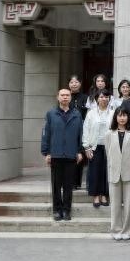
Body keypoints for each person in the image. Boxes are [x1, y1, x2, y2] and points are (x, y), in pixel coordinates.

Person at [41, 89, 84, 221]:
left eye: (67, 95)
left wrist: (80, 151)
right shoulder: (51, 114)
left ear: (70, 98)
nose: (65, 97)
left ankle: (66, 210)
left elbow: (81, 134)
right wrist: (46, 152)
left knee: (68, 186)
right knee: (56, 185)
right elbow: (46, 134)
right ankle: (57, 210)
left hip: (71, 154)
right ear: (58, 97)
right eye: (62, 95)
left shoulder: (77, 114)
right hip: (56, 154)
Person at [104, 106, 130, 240]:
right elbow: (108, 153)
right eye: (119, 115)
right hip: (114, 172)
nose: (122, 118)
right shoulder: (109, 134)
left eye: (124, 115)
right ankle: (116, 230)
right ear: (115, 117)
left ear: (128, 117)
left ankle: (127, 230)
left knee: (129, 205)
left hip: (129, 171)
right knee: (115, 205)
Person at [82, 90, 113, 207]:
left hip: (109, 146)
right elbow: (86, 130)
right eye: (101, 97)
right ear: (97, 99)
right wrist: (86, 147)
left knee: (106, 171)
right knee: (95, 171)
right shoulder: (91, 113)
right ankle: (95, 195)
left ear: (109, 99)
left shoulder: (113, 113)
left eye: (106, 97)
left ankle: (104, 194)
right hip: (94, 146)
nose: (104, 99)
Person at [67, 75, 88, 189]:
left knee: (80, 154)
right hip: (68, 130)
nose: (74, 84)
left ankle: (76, 183)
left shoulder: (85, 97)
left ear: (80, 83)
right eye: (71, 82)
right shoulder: (66, 96)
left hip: (82, 130)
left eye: (76, 82)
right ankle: (68, 181)